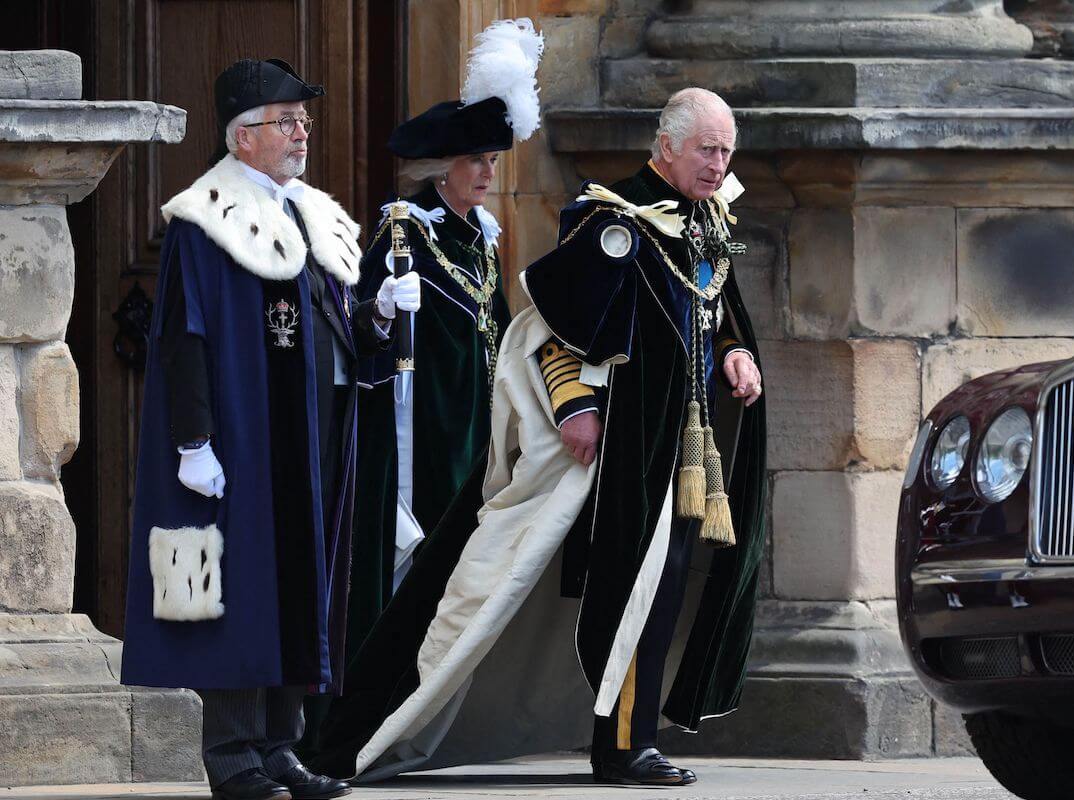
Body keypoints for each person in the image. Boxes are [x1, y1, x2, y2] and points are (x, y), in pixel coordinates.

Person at [304, 87, 767, 789]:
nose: (718, 163)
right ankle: (362, 734)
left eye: (727, 150)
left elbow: (715, 307)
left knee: (661, 592)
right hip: (609, 452)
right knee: (523, 578)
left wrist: (736, 352)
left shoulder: (707, 222)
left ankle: (627, 743)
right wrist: (575, 407)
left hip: (677, 447)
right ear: (667, 146)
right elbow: (551, 326)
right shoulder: (610, 218)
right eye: (708, 148)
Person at [119, 58, 419, 800]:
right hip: (244, 435)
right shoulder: (203, 217)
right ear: (243, 136)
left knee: (299, 582)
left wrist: (378, 310)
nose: (301, 133)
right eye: (287, 121)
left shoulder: (307, 212)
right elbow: (184, 336)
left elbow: (334, 327)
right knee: (242, 588)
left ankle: (282, 745)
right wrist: (193, 442)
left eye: (303, 121)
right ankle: (233, 756)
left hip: (311, 433)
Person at [339, 18, 541, 667]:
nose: (486, 172)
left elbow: (502, 331)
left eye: (491, 159)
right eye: (475, 160)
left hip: (476, 433)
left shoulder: (479, 238)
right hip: (422, 434)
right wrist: (378, 309)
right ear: (442, 166)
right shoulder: (405, 236)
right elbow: (353, 326)